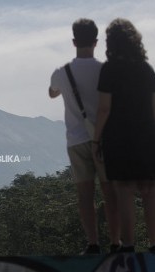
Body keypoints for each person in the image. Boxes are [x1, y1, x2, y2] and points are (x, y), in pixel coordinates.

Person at [93, 18, 155, 253]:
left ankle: (128, 245)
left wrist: (97, 139)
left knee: (124, 189)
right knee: (149, 189)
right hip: (147, 133)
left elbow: (104, 108)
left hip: (119, 136)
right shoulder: (147, 69)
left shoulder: (109, 69)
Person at [49, 18, 120, 254]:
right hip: (106, 139)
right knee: (110, 193)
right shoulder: (105, 70)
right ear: (96, 42)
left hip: (76, 140)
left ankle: (92, 243)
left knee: (85, 195)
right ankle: (116, 242)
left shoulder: (61, 73)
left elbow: (52, 93)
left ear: (74, 41)